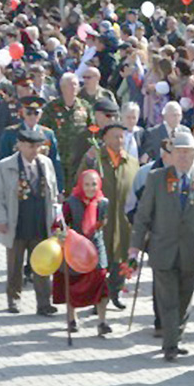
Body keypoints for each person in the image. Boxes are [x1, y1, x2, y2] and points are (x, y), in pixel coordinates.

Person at [129, 132, 194, 362]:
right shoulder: (157, 178)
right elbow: (143, 215)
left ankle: (175, 337)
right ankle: (170, 344)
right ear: (171, 155)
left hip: (191, 251)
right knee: (168, 300)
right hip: (162, 249)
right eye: (179, 152)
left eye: (188, 152)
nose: (183, 157)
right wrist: (135, 247)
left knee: (185, 299)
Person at [77, 123, 140, 309]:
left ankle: (116, 291)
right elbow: (80, 181)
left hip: (124, 220)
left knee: (121, 258)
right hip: (101, 220)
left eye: (122, 136)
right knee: (100, 259)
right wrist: (88, 161)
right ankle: (98, 298)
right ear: (104, 138)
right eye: (115, 136)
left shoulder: (132, 162)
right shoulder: (96, 159)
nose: (119, 140)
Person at [0, 129, 58, 314]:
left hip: (40, 221)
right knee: (15, 265)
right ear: (20, 145)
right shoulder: (5, 166)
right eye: (31, 146)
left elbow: (53, 193)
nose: (35, 150)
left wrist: (55, 220)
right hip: (17, 222)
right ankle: (14, 299)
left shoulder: (46, 163)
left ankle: (44, 303)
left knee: (42, 264)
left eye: (38, 146)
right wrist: (0, 219)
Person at [52, 170, 111, 336]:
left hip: (96, 246)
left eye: (94, 184)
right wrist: (62, 235)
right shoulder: (71, 203)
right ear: (80, 185)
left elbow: (103, 223)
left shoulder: (103, 202)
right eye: (87, 184)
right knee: (73, 282)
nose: (91, 188)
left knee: (101, 280)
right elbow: (58, 226)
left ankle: (102, 322)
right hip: (76, 248)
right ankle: (72, 318)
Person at [0, 96, 64, 195]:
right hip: (15, 186)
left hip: (41, 185)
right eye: (29, 113)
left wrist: (59, 189)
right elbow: (2, 161)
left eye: (36, 113)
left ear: (41, 114)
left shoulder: (48, 134)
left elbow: (55, 162)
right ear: (22, 113)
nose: (32, 117)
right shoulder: (10, 133)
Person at [39, 72, 93, 192]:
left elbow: (93, 129)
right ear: (62, 87)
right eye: (70, 84)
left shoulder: (85, 107)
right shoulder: (51, 108)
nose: (74, 87)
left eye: (76, 84)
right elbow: (43, 131)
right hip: (58, 159)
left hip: (78, 160)